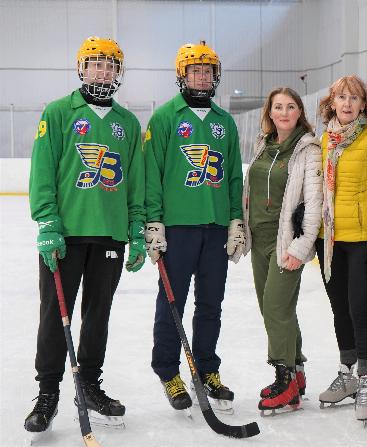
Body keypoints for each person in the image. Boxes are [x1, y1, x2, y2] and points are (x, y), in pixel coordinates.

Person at [25, 36, 145, 433]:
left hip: (110, 235)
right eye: (96, 64)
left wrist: (136, 227)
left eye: (110, 66)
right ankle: (48, 393)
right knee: (52, 315)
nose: (103, 72)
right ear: (81, 68)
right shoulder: (59, 112)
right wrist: (46, 222)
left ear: (118, 73)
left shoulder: (127, 123)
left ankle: (89, 386)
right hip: (67, 235)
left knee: (98, 315)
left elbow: (135, 183)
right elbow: (42, 172)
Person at [143, 41, 244, 414]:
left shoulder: (224, 122)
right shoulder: (166, 117)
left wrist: (235, 218)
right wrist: (154, 221)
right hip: (178, 229)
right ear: (182, 75)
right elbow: (151, 173)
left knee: (211, 304)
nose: (202, 77)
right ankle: (168, 369)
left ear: (215, 76)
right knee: (172, 302)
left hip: (216, 227)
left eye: (207, 71)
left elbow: (234, 175)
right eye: (194, 71)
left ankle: (206, 368)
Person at [239, 87, 323, 415]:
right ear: (270, 113)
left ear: (300, 112)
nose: (284, 113)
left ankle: (284, 378)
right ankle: (297, 371)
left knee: (275, 307)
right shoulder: (264, 145)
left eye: (290, 107)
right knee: (275, 308)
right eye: (278, 107)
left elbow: (314, 203)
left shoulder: (308, 149)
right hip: (259, 239)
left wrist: (301, 246)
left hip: (286, 241)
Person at [315, 75, 367, 424]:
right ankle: (346, 373)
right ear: (331, 103)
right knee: (339, 309)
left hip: (362, 238)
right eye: (341, 97)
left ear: (365, 105)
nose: (347, 104)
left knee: (359, 308)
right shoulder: (325, 141)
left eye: (354, 98)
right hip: (329, 239)